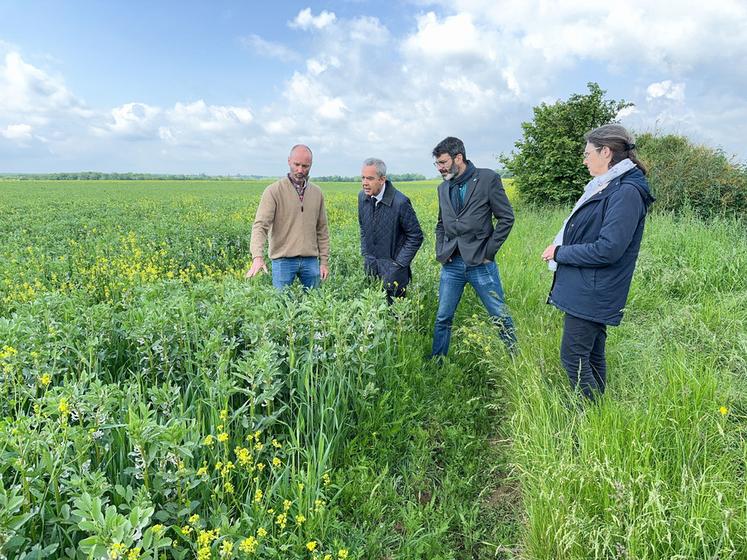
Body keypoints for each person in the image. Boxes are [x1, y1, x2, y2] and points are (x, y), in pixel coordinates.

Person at [541, 124, 655, 401]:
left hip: (594, 288)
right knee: (591, 354)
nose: (584, 159)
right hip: (589, 285)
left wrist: (560, 253)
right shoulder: (608, 186)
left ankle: (587, 414)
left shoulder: (625, 192)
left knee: (573, 357)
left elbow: (609, 249)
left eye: (588, 153)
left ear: (606, 152)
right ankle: (599, 412)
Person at [431, 136, 517, 357]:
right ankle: (437, 361)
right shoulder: (443, 188)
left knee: (499, 315)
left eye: (443, 162)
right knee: (443, 317)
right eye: (437, 164)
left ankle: (515, 360)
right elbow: (441, 224)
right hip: (451, 264)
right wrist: (441, 250)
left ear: (458, 157)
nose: (439, 168)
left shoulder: (487, 179)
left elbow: (506, 218)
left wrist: (489, 252)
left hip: (481, 263)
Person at [246, 144, 329, 289]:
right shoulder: (273, 191)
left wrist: (324, 262)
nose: (300, 170)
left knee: (315, 305)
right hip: (282, 261)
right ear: (289, 161)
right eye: (296, 164)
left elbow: (322, 230)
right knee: (282, 307)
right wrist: (257, 257)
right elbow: (260, 225)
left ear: (311, 165)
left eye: (305, 166)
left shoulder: (317, 193)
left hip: (310, 261)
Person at [358, 158, 424, 304]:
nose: (364, 182)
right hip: (371, 268)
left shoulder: (400, 202)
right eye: (363, 177)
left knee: (395, 316)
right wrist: (366, 253)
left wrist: (399, 264)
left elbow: (416, 236)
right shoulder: (362, 197)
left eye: (370, 178)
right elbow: (363, 227)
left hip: (395, 273)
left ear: (382, 179)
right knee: (372, 313)